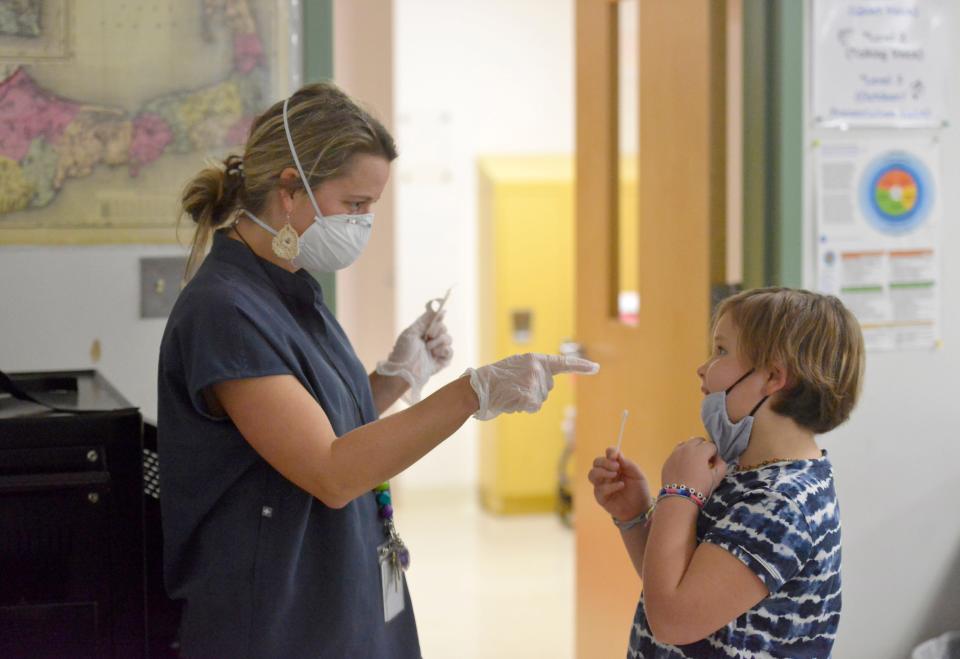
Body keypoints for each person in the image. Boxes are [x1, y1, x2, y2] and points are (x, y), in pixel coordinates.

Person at [157, 81, 598, 659]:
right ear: (289, 189)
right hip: (270, 616)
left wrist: (398, 375)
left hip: (333, 587)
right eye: (355, 206)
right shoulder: (225, 311)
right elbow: (332, 471)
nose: (364, 224)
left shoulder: (289, 289)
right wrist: (473, 391)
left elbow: (311, 425)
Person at [588, 287, 864, 657]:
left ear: (772, 377)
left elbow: (672, 619)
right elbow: (678, 585)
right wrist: (636, 515)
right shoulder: (745, 472)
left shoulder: (782, 505)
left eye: (721, 351)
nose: (703, 368)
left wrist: (679, 494)